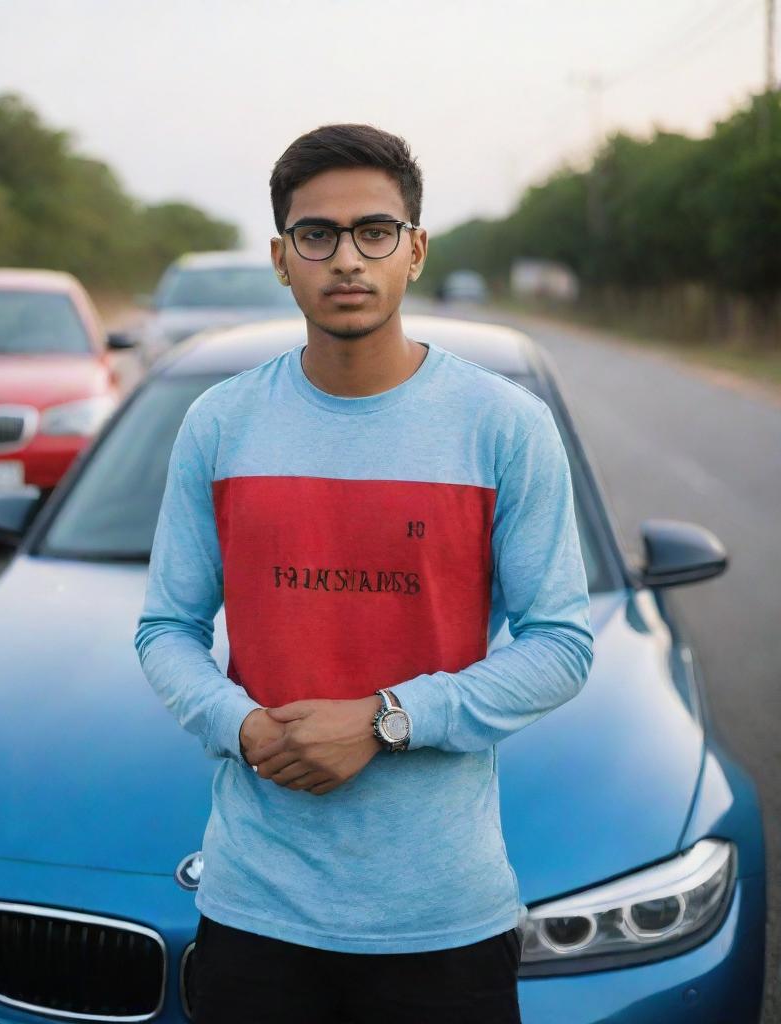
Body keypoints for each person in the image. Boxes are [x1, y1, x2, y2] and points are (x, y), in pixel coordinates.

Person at [134, 123, 594, 1023]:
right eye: (318, 235)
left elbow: (561, 645)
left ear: (415, 250)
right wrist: (243, 726)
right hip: (253, 911)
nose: (347, 258)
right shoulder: (220, 424)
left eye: (374, 232)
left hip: (442, 921)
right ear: (281, 258)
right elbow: (165, 629)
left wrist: (385, 720)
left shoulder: (504, 426)